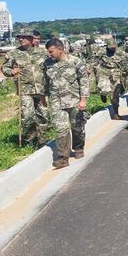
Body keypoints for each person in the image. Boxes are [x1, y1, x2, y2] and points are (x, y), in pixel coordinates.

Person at [43, 39, 89, 169]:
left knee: (77, 127)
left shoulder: (75, 62)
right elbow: (46, 81)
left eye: (51, 51)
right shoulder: (47, 64)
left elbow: (84, 81)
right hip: (56, 101)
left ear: (60, 49)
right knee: (61, 129)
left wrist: (83, 99)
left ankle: (79, 148)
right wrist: (43, 97)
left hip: (74, 100)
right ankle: (63, 157)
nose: (49, 54)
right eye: (48, 52)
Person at [1, 33, 50, 146]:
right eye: (19, 37)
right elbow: (4, 68)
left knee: (43, 115)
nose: (21, 39)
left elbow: (51, 65)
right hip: (25, 90)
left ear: (31, 39)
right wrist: (11, 71)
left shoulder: (42, 53)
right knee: (27, 116)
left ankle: (42, 140)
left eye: (24, 37)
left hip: (41, 89)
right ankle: (29, 139)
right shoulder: (13, 54)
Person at [92, 39, 128, 119]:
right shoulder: (102, 51)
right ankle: (103, 94)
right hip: (104, 73)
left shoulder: (120, 52)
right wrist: (94, 68)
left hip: (115, 74)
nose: (112, 49)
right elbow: (94, 61)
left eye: (114, 47)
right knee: (104, 90)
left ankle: (116, 113)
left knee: (115, 95)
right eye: (110, 47)